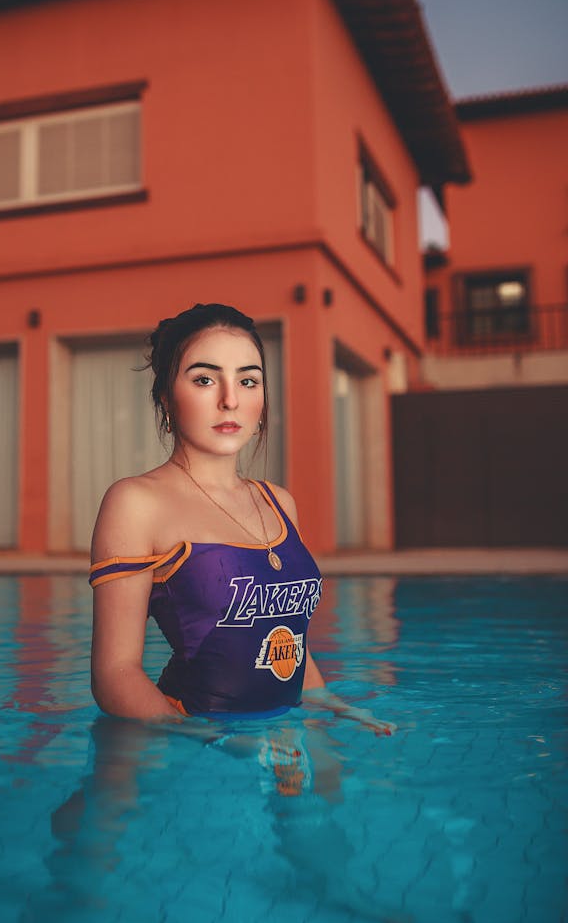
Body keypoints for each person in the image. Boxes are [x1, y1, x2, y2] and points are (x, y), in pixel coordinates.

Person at [89, 302, 394, 735]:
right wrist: (214, 743)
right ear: (166, 400)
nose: (230, 400)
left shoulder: (278, 502)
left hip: (281, 737)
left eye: (248, 380)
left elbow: (290, 642)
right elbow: (114, 676)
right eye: (204, 379)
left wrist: (336, 710)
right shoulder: (136, 502)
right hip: (187, 743)